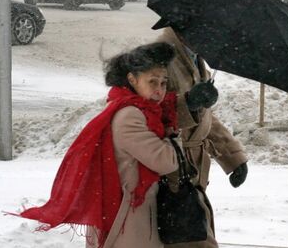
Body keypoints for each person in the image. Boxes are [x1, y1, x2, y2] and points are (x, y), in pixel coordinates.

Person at [18, 42, 180, 248]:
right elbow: (166, 162)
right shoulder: (131, 115)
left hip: (130, 210)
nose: (159, 90)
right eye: (152, 82)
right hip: (128, 216)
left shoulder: (140, 111)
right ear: (132, 79)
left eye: (163, 83)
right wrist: (173, 136)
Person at [156, 26, 248, 248]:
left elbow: (206, 118)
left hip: (191, 172)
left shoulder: (195, 57)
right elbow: (145, 111)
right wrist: (188, 102)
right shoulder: (159, 56)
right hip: (170, 172)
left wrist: (232, 156)